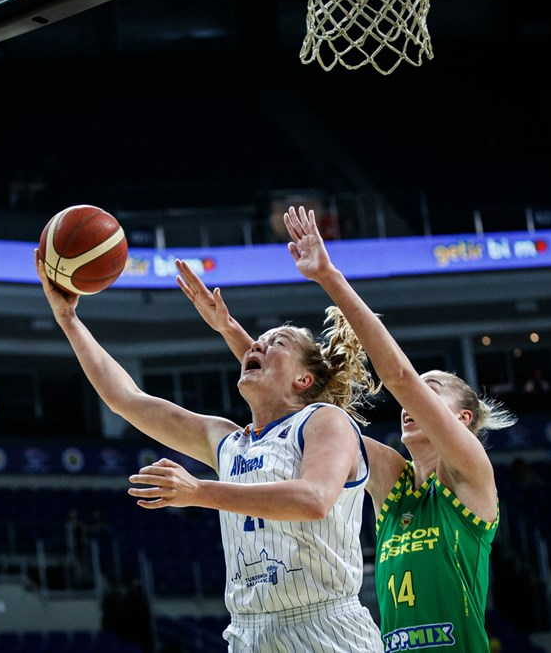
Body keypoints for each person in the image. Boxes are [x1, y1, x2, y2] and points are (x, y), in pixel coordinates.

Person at [175, 206, 517, 652]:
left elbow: (398, 378)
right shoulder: (396, 485)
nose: (413, 403)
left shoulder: (472, 474)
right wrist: (233, 332)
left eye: (433, 392)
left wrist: (328, 276)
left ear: (462, 419)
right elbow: (297, 407)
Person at [34, 250, 383, 652]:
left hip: (325, 628)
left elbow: (314, 499)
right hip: (248, 632)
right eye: (259, 342)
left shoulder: (323, 421)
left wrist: (199, 492)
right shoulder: (228, 441)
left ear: (304, 378)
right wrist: (70, 321)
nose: (258, 346)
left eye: (277, 342)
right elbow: (125, 399)